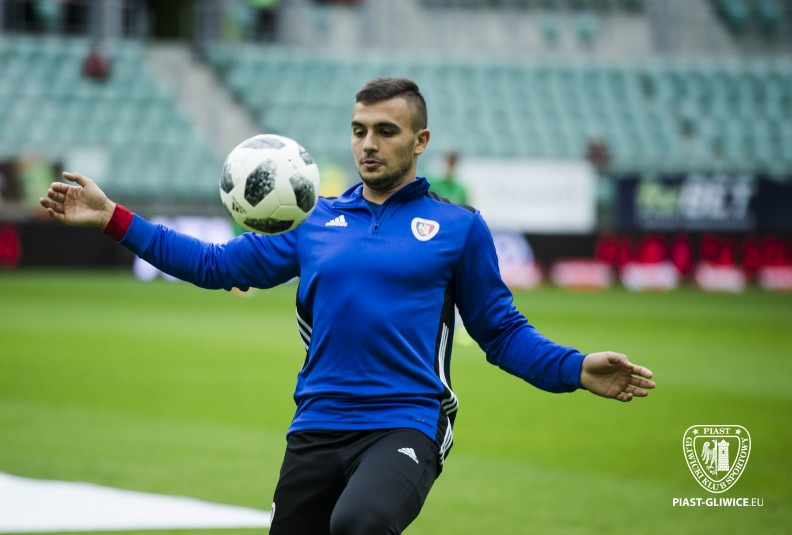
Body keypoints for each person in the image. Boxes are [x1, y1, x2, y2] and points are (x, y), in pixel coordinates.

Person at [40, 77, 655, 535]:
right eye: (359, 130)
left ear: (420, 140)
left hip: (405, 421)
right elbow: (214, 265)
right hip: (315, 423)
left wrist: (574, 368)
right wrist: (113, 218)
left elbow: (501, 333)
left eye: (386, 131)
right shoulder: (312, 221)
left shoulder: (458, 228)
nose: (368, 144)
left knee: (360, 524)